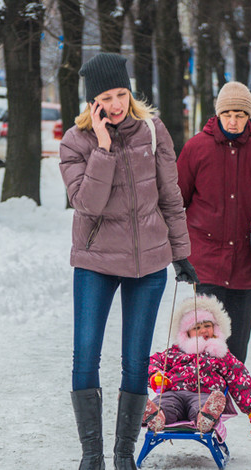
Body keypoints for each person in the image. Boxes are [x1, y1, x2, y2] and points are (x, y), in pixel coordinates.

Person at [60, 52, 198, 470]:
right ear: (92, 102)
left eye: (122, 93)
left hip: (147, 264)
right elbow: (86, 204)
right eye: (107, 96)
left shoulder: (153, 132)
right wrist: (102, 148)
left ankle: (123, 456)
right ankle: (91, 456)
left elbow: (171, 197)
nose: (117, 104)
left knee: (136, 360)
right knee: (85, 355)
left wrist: (181, 254)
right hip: (95, 262)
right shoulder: (75, 142)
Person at [177, 81, 251, 364]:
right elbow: (178, 198)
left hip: (246, 259)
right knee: (205, 329)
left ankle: (231, 385)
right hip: (206, 257)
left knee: (238, 333)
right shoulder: (196, 148)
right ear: (218, 114)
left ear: (249, 116)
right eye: (228, 114)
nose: (234, 120)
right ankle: (205, 385)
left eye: (240, 114)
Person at [142, 296, 251, 435]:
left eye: (207, 326)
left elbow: (239, 377)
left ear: (215, 328)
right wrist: (156, 374)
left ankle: (205, 418)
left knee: (202, 406)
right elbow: (153, 362)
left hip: (205, 394)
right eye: (197, 327)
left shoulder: (220, 354)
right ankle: (156, 416)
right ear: (186, 332)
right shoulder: (175, 352)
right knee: (166, 404)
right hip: (173, 392)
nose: (203, 330)